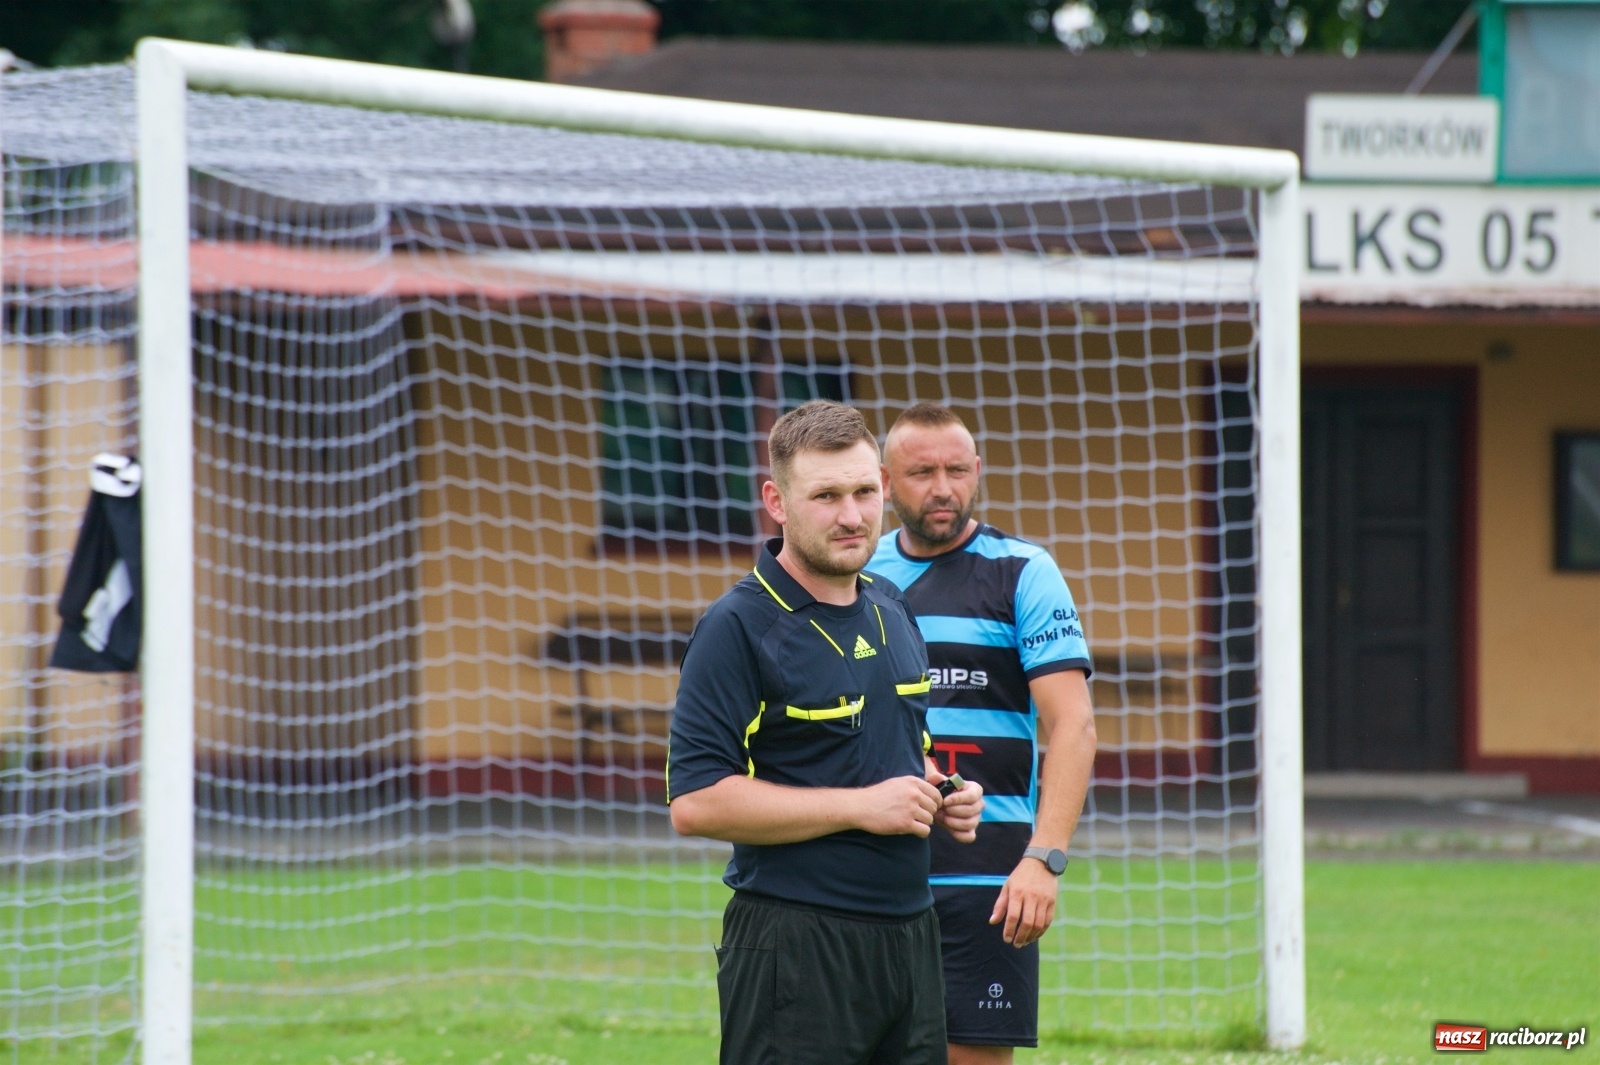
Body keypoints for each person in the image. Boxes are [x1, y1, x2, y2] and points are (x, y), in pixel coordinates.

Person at [667, 400, 986, 1065]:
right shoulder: (736, 627)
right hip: (795, 942)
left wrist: (941, 790)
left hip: (910, 934)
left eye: (864, 491)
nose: (851, 515)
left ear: (884, 487)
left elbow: (901, 751)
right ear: (777, 502)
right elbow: (695, 802)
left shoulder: (891, 606)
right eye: (826, 496)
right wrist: (862, 806)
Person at [870, 403, 1097, 1065]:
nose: (942, 487)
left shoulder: (1023, 572)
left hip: (990, 877)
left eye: (957, 470)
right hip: (872, 869)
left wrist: (1043, 858)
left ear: (976, 470)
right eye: (922, 473)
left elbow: (1074, 724)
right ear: (885, 482)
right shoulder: (859, 574)